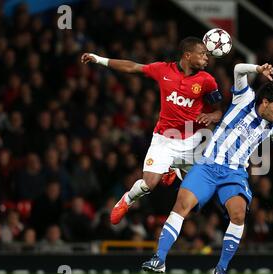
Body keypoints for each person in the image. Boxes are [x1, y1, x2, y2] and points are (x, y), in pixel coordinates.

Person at [141, 63, 273, 274]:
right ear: (265, 102)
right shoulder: (244, 98)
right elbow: (236, 69)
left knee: (237, 215)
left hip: (234, 173)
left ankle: (221, 268)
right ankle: (159, 259)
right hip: (207, 165)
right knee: (182, 205)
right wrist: (257, 69)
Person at [81, 37, 223, 225]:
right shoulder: (163, 70)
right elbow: (132, 67)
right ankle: (127, 199)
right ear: (188, 55)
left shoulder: (207, 81)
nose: (207, 58)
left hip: (192, 141)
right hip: (164, 138)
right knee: (149, 183)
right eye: (203, 54)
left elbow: (219, 110)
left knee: (201, 193)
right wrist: (99, 59)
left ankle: (174, 170)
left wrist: (211, 117)